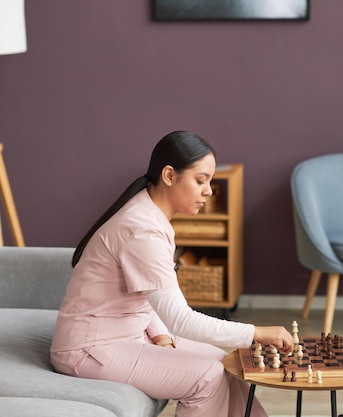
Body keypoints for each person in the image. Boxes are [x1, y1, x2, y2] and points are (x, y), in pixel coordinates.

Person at [50, 130, 294, 417]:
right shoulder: (142, 229)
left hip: (128, 336)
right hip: (89, 349)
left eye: (210, 181)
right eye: (201, 180)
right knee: (207, 376)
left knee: (226, 363)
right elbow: (181, 319)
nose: (209, 191)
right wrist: (256, 333)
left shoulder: (149, 214)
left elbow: (145, 293)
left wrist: (161, 335)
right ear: (169, 175)